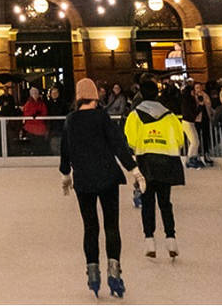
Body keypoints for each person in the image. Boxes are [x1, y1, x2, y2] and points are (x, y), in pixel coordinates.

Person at [60, 79, 145, 298]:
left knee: (90, 228)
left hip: (84, 180)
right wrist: (133, 169)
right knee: (111, 226)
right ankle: (114, 274)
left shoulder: (70, 120)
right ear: (95, 97)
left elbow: (65, 150)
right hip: (107, 178)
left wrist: (66, 174)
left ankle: (93, 274)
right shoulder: (101, 117)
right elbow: (118, 144)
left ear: (78, 97)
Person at [124, 78, 185, 259]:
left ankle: (149, 240)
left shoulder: (135, 115)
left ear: (141, 94)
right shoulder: (169, 115)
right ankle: (171, 239)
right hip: (166, 161)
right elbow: (180, 139)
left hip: (146, 162)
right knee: (165, 203)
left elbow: (130, 140)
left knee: (148, 202)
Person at [179, 82, 204, 169]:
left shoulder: (188, 100)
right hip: (188, 122)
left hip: (190, 122)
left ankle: (193, 157)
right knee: (194, 141)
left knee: (196, 141)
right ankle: (190, 159)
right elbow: (193, 113)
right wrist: (200, 106)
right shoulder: (187, 102)